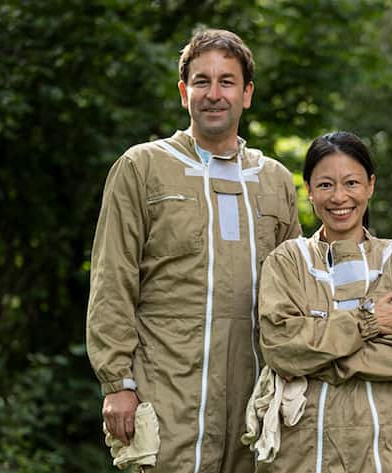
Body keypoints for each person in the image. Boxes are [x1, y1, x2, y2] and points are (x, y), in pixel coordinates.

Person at [86, 29, 302, 473]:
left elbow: (297, 291)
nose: (214, 93)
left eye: (227, 81)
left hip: (255, 391)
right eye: (202, 81)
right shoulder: (142, 167)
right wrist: (117, 382)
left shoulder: (275, 179)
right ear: (184, 92)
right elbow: (112, 278)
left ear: (247, 94)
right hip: (167, 388)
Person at [252, 131, 392, 472]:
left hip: (382, 456)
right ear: (308, 190)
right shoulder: (287, 261)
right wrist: (370, 323)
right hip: (300, 456)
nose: (339, 197)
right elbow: (280, 347)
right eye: (325, 185)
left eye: (351, 183)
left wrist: (317, 360)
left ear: (370, 186)